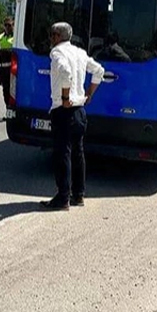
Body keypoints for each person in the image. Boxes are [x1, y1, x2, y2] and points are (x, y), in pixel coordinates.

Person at [40, 22, 105, 210]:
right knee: (78, 153)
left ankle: (62, 198)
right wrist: (89, 95)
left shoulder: (57, 53)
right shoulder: (79, 52)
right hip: (80, 111)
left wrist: (66, 97)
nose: (50, 38)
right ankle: (79, 195)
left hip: (63, 110)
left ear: (57, 37)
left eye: (52, 34)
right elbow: (99, 70)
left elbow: (66, 72)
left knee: (62, 154)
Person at [0, 17, 15, 108]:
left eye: (9, 25)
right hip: (3, 68)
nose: (7, 27)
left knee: (14, 90)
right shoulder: (0, 37)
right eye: (5, 25)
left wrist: (8, 51)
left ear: (13, 25)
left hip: (13, 68)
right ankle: (8, 109)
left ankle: (13, 109)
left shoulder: (16, 37)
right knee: (5, 90)